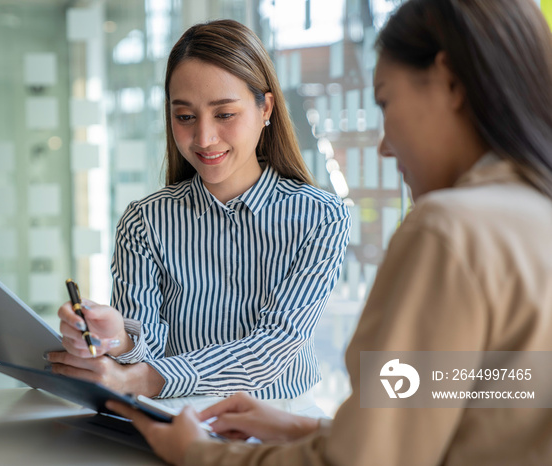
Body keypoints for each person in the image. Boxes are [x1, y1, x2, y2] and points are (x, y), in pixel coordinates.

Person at [106, 0, 552, 464]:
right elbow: (475, 403)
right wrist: (308, 428)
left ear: (449, 84)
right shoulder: (536, 211)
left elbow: (363, 459)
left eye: (384, 102)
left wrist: (198, 454)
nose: (382, 144)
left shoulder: (449, 231)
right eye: (185, 116)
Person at [47, 19, 351, 411]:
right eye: (185, 117)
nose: (204, 138)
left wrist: (145, 379)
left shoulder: (320, 217)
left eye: (224, 114)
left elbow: (272, 352)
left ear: (266, 108)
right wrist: (116, 339)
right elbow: (146, 344)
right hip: (171, 412)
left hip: (280, 418)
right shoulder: (145, 221)